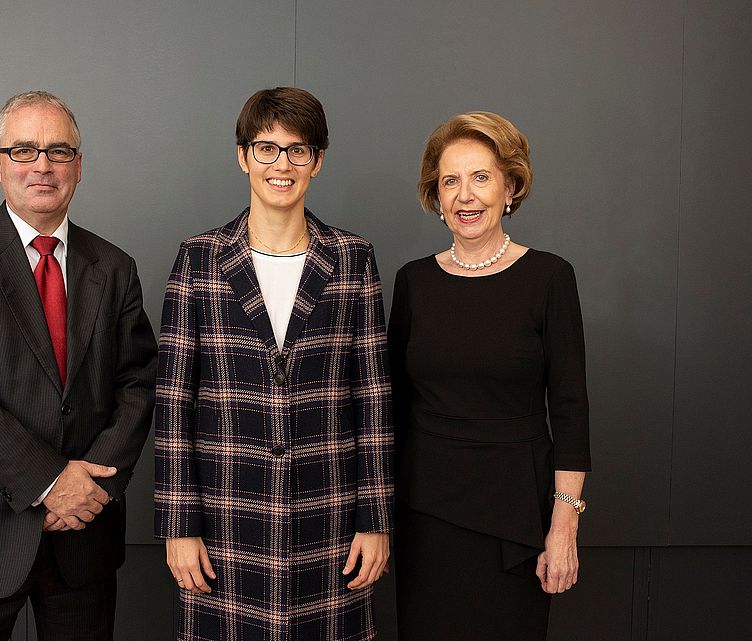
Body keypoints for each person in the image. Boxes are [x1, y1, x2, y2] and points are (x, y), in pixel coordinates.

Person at [0, 90, 157, 640]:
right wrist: (50, 482)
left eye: (58, 150)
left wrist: (90, 491)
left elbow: (137, 384)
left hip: (82, 536)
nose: (42, 165)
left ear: (79, 166)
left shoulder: (113, 266)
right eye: (23, 150)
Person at [154, 87, 394, 641]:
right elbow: (172, 405)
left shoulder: (353, 258)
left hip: (330, 523)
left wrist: (375, 518)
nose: (281, 164)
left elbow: (374, 401)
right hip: (222, 525)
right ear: (243, 157)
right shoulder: (199, 258)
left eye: (298, 150)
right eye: (266, 148)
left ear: (318, 160)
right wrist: (178, 526)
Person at [389, 111, 592, 640]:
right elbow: (392, 407)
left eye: (480, 177)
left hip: (515, 518)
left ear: (510, 185)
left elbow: (570, 409)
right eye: (449, 181)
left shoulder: (549, 277)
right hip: (425, 513)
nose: (465, 195)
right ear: (435, 196)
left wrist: (563, 526)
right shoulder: (413, 282)